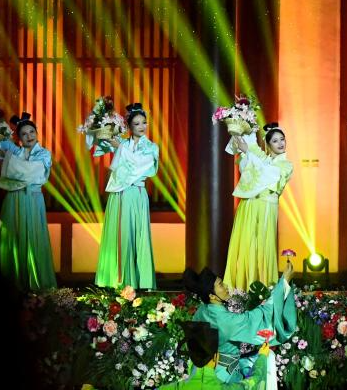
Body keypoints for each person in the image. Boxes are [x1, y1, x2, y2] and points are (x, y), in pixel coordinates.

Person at [163, 259, 297, 389]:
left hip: (199, 372)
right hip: (223, 376)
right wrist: (284, 282)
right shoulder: (225, 321)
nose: (226, 286)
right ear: (212, 296)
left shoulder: (202, 311)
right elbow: (259, 319)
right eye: (221, 285)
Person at [94, 103, 158, 289]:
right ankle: (116, 281)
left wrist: (120, 148)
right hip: (118, 194)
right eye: (136, 123)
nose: (141, 126)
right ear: (129, 126)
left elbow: (140, 165)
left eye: (144, 122)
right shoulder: (123, 144)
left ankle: (140, 282)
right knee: (119, 237)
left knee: (136, 236)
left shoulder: (151, 147)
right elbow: (98, 146)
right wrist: (103, 125)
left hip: (135, 194)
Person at [223, 122, 294, 289]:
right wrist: (244, 127)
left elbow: (269, 174)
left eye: (282, 139)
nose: (280, 143)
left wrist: (248, 151)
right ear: (268, 145)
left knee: (263, 246)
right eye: (275, 141)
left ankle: (263, 287)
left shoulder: (285, 165)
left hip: (266, 207)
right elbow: (250, 153)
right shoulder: (262, 158)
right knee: (246, 244)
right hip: (249, 205)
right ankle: (241, 288)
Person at [0, 113, 56, 290]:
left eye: (31, 132)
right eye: (24, 134)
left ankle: (35, 283)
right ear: (18, 138)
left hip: (33, 199)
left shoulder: (44, 154)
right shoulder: (14, 151)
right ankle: (13, 284)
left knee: (34, 238)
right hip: (13, 199)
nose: (29, 136)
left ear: (37, 133)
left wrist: (11, 159)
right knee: (13, 237)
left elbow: (31, 173)